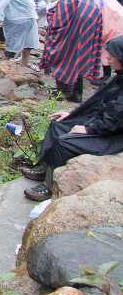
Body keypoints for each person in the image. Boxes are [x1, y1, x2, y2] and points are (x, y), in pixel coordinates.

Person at [22, 36, 123, 201]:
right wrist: (74, 116)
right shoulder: (119, 76)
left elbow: (116, 118)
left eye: (113, 55)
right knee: (59, 124)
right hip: (104, 123)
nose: (108, 58)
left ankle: (49, 186)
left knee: (65, 142)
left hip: (114, 136)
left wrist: (89, 129)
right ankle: (45, 167)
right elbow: (97, 104)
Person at [41, 0, 104, 102]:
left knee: (61, 63)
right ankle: (77, 94)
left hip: (65, 42)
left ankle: (61, 93)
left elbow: (55, 23)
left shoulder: (65, 3)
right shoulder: (91, 4)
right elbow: (98, 24)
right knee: (78, 64)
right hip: (85, 41)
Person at [82, 0, 123, 85]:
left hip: (113, 24)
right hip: (117, 21)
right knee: (115, 52)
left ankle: (107, 78)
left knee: (109, 50)